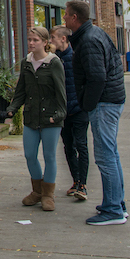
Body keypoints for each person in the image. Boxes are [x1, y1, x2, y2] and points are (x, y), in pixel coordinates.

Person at [66, 0, 128, 225]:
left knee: (105, 156)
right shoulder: (95, 33)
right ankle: (117, 203)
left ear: (75, 18)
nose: (63, 18)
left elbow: (97, 77)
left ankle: (113, 210)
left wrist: (87, 104)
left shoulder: (89, 40)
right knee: (111, 153)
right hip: (110, 100)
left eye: (66, 15)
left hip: (103, 103)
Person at [5, 27, 66, 212]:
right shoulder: (26, 63)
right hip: (31, 116)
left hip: (51, 118)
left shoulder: (53, 63)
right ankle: (37, 191)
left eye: (35, 40)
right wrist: (12, 109)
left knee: (49, 156)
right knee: (30, 155)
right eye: (29, 39)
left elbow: (61, 93)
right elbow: (21, 90)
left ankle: (48, 194)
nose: (31, 43)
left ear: (45, 42)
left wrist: (59, 115)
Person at [53, 26, 89, 200]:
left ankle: (83, 184)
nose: (51, 41)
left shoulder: (75, 56)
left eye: (53, 37)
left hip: (79, 109)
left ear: (64, 39)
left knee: (81, 145)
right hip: (63, 112)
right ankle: (75, 180)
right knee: (68, 147)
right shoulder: (54, 59)